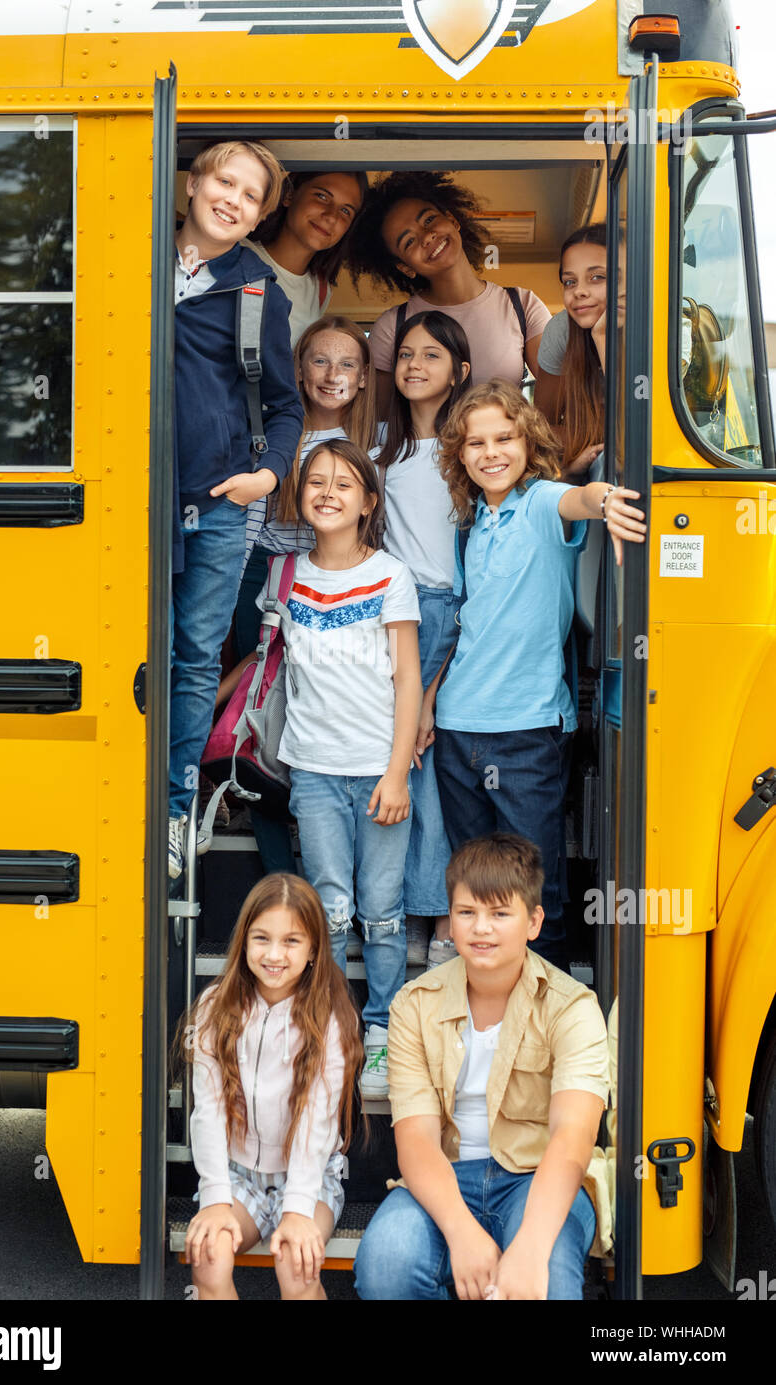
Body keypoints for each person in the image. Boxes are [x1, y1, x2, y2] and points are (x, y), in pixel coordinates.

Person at [420, 381, 646, 972]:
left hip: (527, 732)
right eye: (476, 443)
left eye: (504, 438)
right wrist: (427, 708)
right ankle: (488, 1001)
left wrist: (607, 502)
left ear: (528, 442)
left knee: (530, 885)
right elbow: (466, 626)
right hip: (457, 728)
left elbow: (581, 499)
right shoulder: (470, 523)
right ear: (460, 454)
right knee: (474, 883)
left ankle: (541, 1010)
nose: (490, 452)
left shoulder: (542, 501)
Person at [221, 439, 422, 1097]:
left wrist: (397, 775)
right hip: (311, 768)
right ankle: (329, 1025)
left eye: (344, 484)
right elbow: (265, 662)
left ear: (368, 501)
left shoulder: (391, 575)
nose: (328, 493)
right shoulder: (285, 575)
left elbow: (409, 682)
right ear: (298, 497)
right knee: (329, 907)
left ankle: (386, 1027)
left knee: (384, 912)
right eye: (315, 483)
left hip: (378, 771)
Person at [353, 832, 612, 1301]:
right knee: (386, 1262)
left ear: (534, 921)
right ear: (449, 920)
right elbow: (415, 1141)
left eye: (499, 914)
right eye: (467, 912)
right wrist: (462, 1232)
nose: (481, 929)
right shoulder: (414, 1004)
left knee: (546, 1276)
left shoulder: (572, 1007)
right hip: (448, 1174)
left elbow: (572, 1139)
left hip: (537, 1174)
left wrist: (530, 1248)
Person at [168, 140, 304, 878]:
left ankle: (173, 808)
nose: (234, 200)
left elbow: (284, 406)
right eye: (226, 181)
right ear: (192, 182)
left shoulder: (258, 290)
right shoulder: (135, 256)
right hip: (137, 501)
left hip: (218, 507)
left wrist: (265, 476)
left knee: (194, 660)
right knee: (141, 656)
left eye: (252, 196)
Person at [232, 314, 378, 874]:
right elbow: (249, 519)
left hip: (348, 582)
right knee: (266, 715)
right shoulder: (273, 434)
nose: (332, 373)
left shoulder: (377, 440)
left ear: (365, 377)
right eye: (319, 359)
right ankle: (281, 879)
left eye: (347, 363)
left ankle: (346, 880)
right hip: (272, 576)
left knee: (338, 715)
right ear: (298, 368)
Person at [181, 872, 362, 1301]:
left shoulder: (331, 1018)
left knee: (296, 1266)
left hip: (310, 1176)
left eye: (292, 941)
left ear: (315, 948)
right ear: (243, 942)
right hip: (237, 1172)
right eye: (261, 938)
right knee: (208, 1257)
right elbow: (207, 1111)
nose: (274, 955)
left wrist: (298, 1209)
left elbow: (318, 1121)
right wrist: (216, 1198)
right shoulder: (215, 1008)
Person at [376, 309, 471, 970]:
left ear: (460, 372)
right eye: (406, 354)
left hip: (436, 612)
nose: (414, 365)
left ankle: (436, 919)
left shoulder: (462, 452)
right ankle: (408, 909)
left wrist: (432, 687)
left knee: (422, 763)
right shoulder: (381, 446)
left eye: (432, 355)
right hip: (383, 612)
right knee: (395, 760)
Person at [348, 170, 550, 414]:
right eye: (409, 241)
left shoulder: (522, 305)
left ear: (453, 221)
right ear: (405, 268)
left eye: (429, 220)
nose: (427, 236)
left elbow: (558, 396)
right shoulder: (392, 326)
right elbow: (381, 422)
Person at [247, 170, 368, 344]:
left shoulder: (320, 289)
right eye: (322, 196)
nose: (331, 216)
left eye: (345, 211)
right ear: (289, 195)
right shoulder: (236, 252)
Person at [533, 223, 608, 478]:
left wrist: (601, 336)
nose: (580, 291)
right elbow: (542, 426)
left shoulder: (670, 326)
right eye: (569, 282)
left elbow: (641, 427)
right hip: (587, 467)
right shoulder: (563, 330)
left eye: (597, 277)